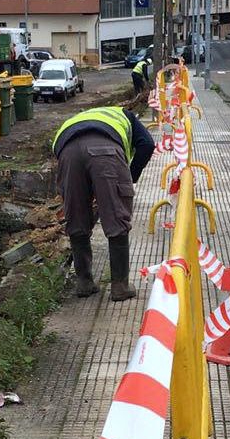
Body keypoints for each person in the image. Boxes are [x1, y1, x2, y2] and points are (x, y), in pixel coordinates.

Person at [52, 102, 155, 301]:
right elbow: (147, 144)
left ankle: (84, 282)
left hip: (68, 153)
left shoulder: (78, 118)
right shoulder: (125, 116)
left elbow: (60, 151)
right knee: (117, 217)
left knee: (76, 216)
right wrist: (130, 175)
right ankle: (119, 286)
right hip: (106, 152)